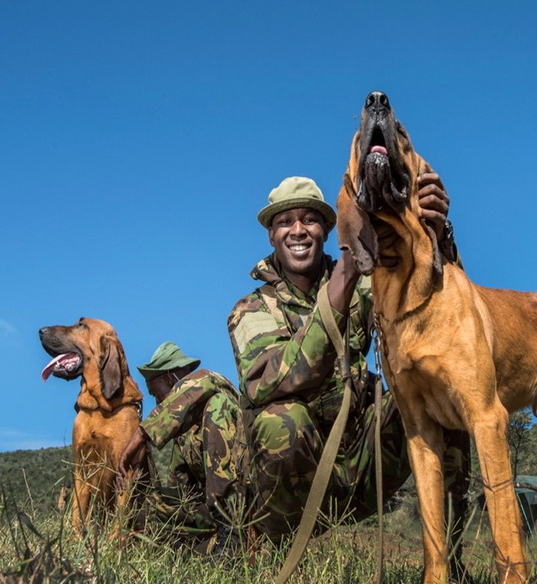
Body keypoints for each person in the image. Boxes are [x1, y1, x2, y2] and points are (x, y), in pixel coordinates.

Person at [226, 175, 471, 552]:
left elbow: (435, 308)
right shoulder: (251, 310)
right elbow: (276, 383)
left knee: (444, 401)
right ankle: (274, 556)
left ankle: (447, 560)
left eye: (309, 220)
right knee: (281, 422)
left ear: (327, 229)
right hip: (299, 476)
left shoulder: (366, 285)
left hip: (362, 456)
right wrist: (345, 271)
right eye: (285, 222)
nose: (298, 230)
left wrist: (435, 235)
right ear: (271, 236)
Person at [119, 341, 241, 553]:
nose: (156, 402)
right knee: (152, 508)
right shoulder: (183, 434)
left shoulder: (214, 388)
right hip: (211, 514)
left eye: (155, 393)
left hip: (247, 502)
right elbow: (181, 492)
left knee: (217, 404)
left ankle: (232, 536)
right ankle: (202, 548)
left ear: (169, 379)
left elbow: (203, 380)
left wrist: (141, 435)